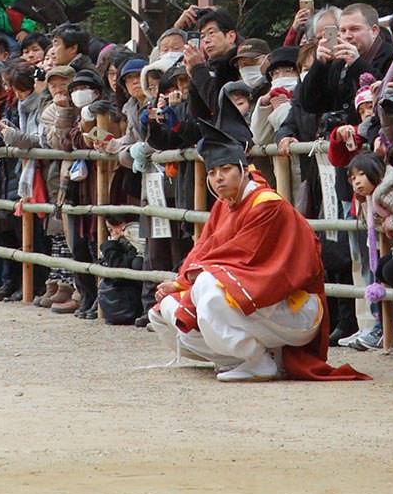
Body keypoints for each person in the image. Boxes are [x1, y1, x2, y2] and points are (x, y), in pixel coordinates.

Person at [152, 131, 367, 383]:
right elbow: (205, 248)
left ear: (244, 169)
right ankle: (241, 359)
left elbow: (241, 257)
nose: (218, 178)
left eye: (225, 169)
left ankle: (257, 361)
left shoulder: (267, 205)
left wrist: (190, 285)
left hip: (293, 306)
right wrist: (179, 284)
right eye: (212, 172)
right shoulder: (225, 203)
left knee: (206, 286)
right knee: (164, 310)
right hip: (257, 303)